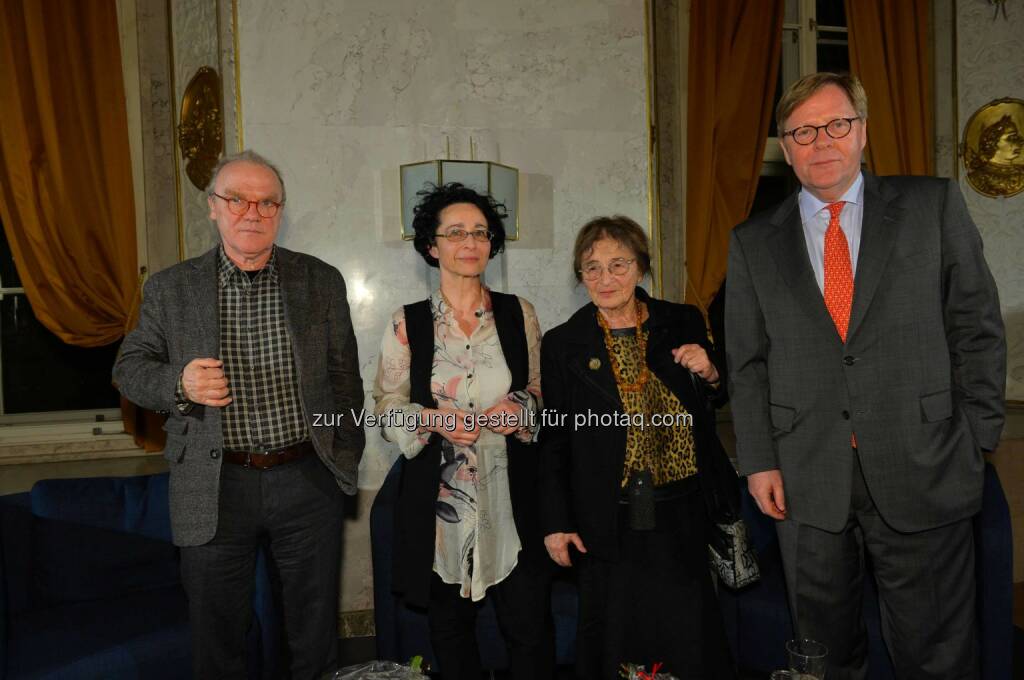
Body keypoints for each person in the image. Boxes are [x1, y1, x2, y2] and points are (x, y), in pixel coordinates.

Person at [726, 73, 1006, 679]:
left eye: (835, 124)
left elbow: (977, 326)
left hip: (925, 461)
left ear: (862, 131)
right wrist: (759, 460)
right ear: (784, 143)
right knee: (822, 657)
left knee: (937, 654)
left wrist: (977, 436)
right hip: (805, 479)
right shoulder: (751, 242)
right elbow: (745, 364)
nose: (820, 141)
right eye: (802, 131)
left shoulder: (932, 206)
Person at [113, 150, 365, 680]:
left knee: (314, 635)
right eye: (238, 199)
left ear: (279, 210)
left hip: (306, 481)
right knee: (218, 636)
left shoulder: (320, 280)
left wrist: (339, 451)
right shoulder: (170, 288)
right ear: (213, 207)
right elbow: (129, 369)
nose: (253, 212)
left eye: (267, 202)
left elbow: (346, 381)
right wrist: (179, 384)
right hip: (213, 483)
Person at [538, 216, 735, 680]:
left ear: (642, 268)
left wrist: (710, 370)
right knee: (616, 635)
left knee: (687, 630)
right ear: (580, 276)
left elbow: (715, 394)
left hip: (683, 510)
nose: (605, 279)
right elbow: (555, 440)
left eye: (618, 265)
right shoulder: (564, 343)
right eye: (592, 268)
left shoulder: (681, 320)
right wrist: (556, 523)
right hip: (609, 516)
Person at [372, 183, 553, 680]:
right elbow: (386, 406)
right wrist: (435, 419)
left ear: (491, 243)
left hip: (513, 497)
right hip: (440, 506)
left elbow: (541, 386)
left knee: (529, 627)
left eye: (479, 232)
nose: (469, 242)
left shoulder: (520, 314)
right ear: (433, 246)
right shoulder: (407, 323)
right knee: (450, 630)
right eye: (455, 233)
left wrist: (521, 408)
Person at [966, 114, 1024, 196]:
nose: (1020, 142)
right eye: (1011, 138)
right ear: (993, 142)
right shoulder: (978, 178)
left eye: (1017, 137)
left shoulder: (1022, 171)